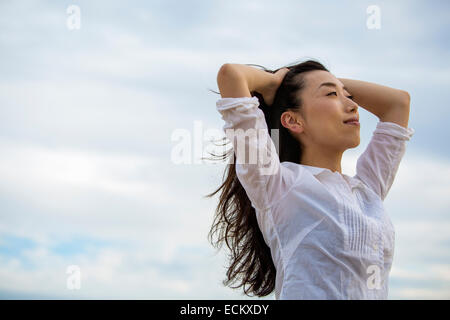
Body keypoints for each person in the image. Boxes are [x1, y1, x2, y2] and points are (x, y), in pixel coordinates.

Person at [206, 59, 415, 299]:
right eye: (332, 95)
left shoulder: (367, 191)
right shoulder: (278, 185)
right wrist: (278, 83)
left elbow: (398, 103)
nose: (352, 105)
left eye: (348, 96)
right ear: (293, 120)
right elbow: (231, 75)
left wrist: (323, 83)